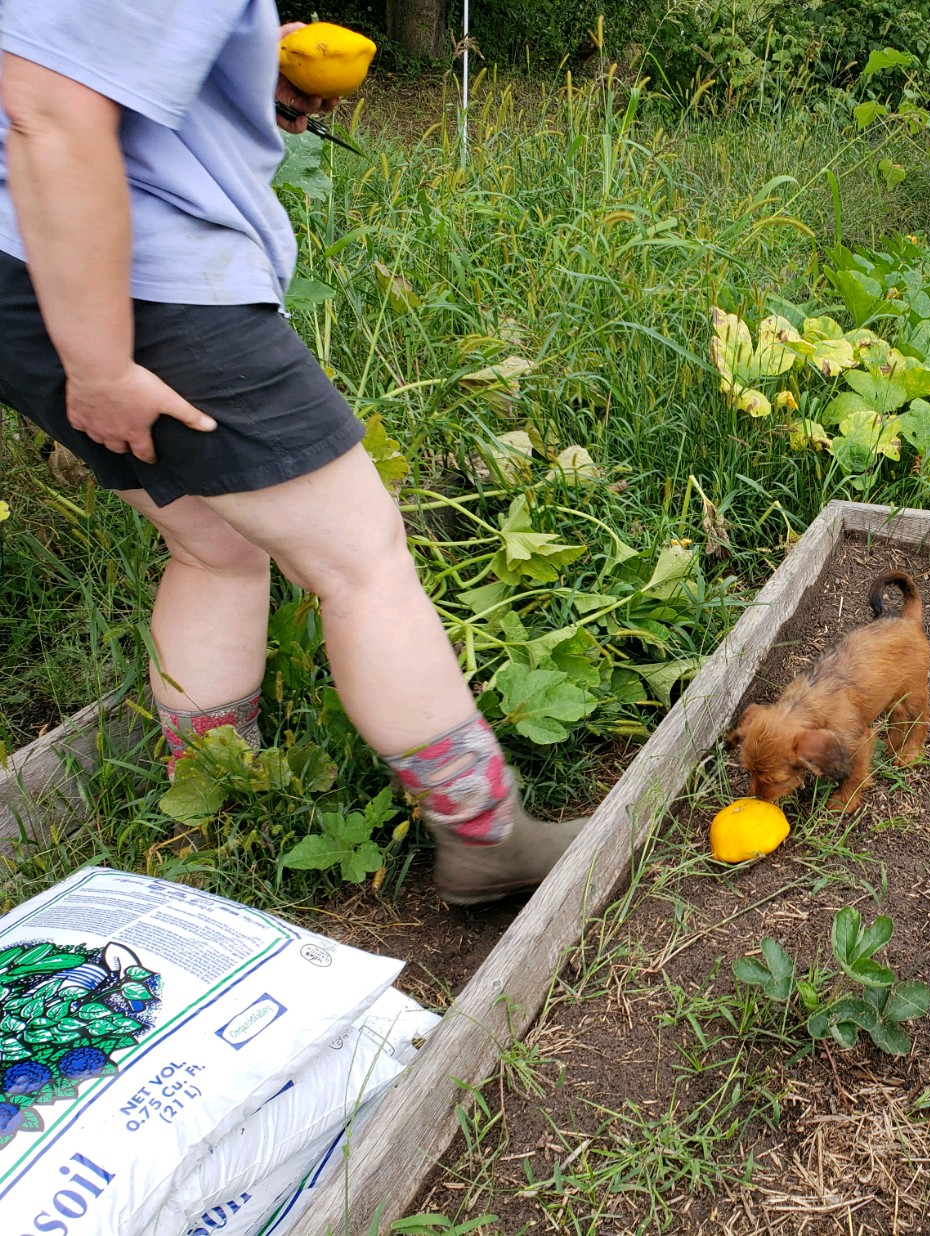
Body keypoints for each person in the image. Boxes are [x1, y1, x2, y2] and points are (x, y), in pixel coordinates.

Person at [0, 1, 586, 904]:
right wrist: (102, 363)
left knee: (214, 543)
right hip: (133, 276)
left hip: (23, 261)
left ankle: (216, 806)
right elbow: (50, 104)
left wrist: (235, 63)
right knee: (361, 559)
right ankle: (487, 839)